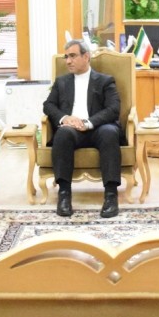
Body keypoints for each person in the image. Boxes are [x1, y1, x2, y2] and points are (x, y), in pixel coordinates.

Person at [43, 39, 122, 218]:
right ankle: (64, 194)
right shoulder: (61, 82)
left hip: (98, 127)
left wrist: (87, 123)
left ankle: (111, 196)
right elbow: (48, 105)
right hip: (71, 130)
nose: (68, 61)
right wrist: (65, 118)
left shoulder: (105, 81)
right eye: (66, 57)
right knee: (62, 133)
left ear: (86, 57)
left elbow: (113, 109)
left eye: (72, 56)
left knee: (110, 133)